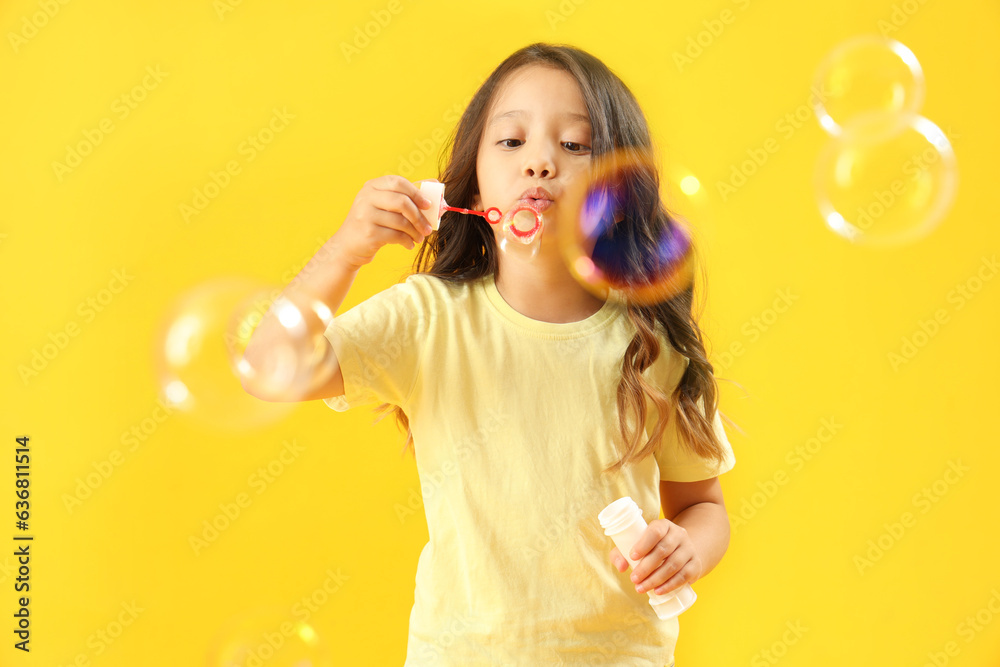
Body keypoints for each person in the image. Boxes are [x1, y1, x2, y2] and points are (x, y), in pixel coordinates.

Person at [243, 42, 737, 667]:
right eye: (511, 143)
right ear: (470, 180)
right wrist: (345, 251)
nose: (539, 163)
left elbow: (703, 507)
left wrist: (689, 547)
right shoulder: (428, 320)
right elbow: (268, 367)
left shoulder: (649, 343)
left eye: (576, 145)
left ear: (618, 188)